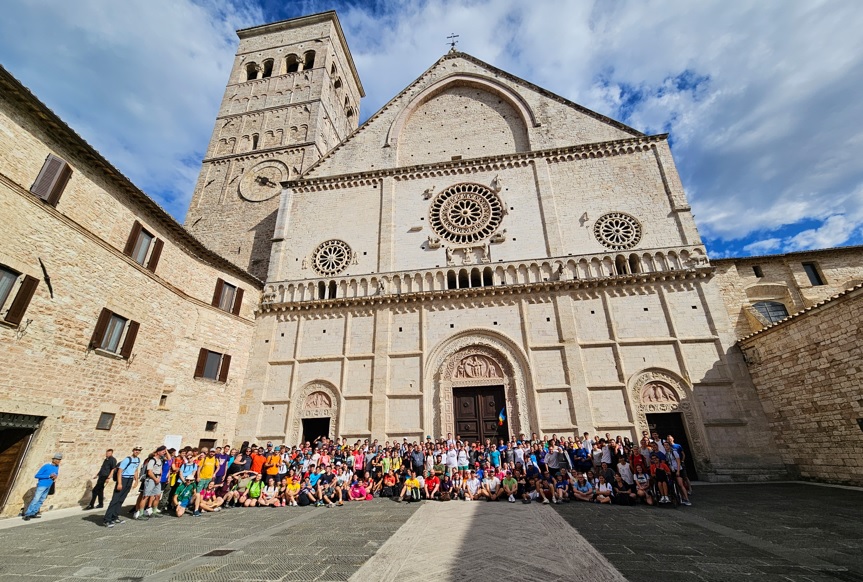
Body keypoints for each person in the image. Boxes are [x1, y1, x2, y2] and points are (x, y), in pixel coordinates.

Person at [103, 446, 141, 527]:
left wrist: (136, 481)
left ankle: (114, 516)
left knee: (121, 500)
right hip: (123, 479)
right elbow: (120, 471)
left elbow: (135, 470)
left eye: (139, 450)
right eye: (136, 450)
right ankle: (107, 519)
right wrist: (119, 483)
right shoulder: (127, 459)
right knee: (115, 500)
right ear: (133, 450)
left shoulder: (138, 460)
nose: (137, 451)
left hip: (129, 480)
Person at [22, 453, 62, 521]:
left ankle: (33, 513)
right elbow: (37, 475)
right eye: (57, 460)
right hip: (42, 485)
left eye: (59, 460)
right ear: (53, 460)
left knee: (41, 500)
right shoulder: (46, 466)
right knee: (36, 499)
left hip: (49, 485)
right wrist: (48, 476)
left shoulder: (57, 467)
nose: (58, 461)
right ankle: (27, 514)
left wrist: (55, 476)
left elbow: (56, 473)